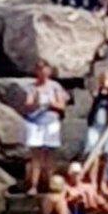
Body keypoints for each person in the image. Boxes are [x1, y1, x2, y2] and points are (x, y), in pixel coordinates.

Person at [24, 60, 69, 195]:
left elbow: (62, 106)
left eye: (45, 69)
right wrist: (36, 103)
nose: (42, 72)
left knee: (50, 156)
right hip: (36, 123)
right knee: (36, 156)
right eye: (39, 69)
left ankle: (51, 185)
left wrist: (51, 103)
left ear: (49, 71)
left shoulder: (55, 86)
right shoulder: (32, 87)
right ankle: (34, 185)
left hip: (51, 123)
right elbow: (27, 105)